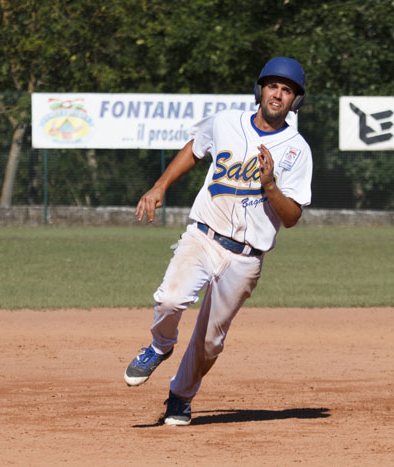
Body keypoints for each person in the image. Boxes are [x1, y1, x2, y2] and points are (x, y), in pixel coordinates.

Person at [124, 57, 313, 426]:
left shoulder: (297, 150)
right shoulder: (227, 121)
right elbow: (195, 149)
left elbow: (291, 218)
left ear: (296, 101)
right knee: (171, 297)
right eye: (272, 85)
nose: (278, 94)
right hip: (204, 235)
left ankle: (180, 397)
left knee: (210, 341)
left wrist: (270, 184)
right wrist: (160, 186)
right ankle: (160, 346)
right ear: (260, 89)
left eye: (287, 90)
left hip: (247, 258)